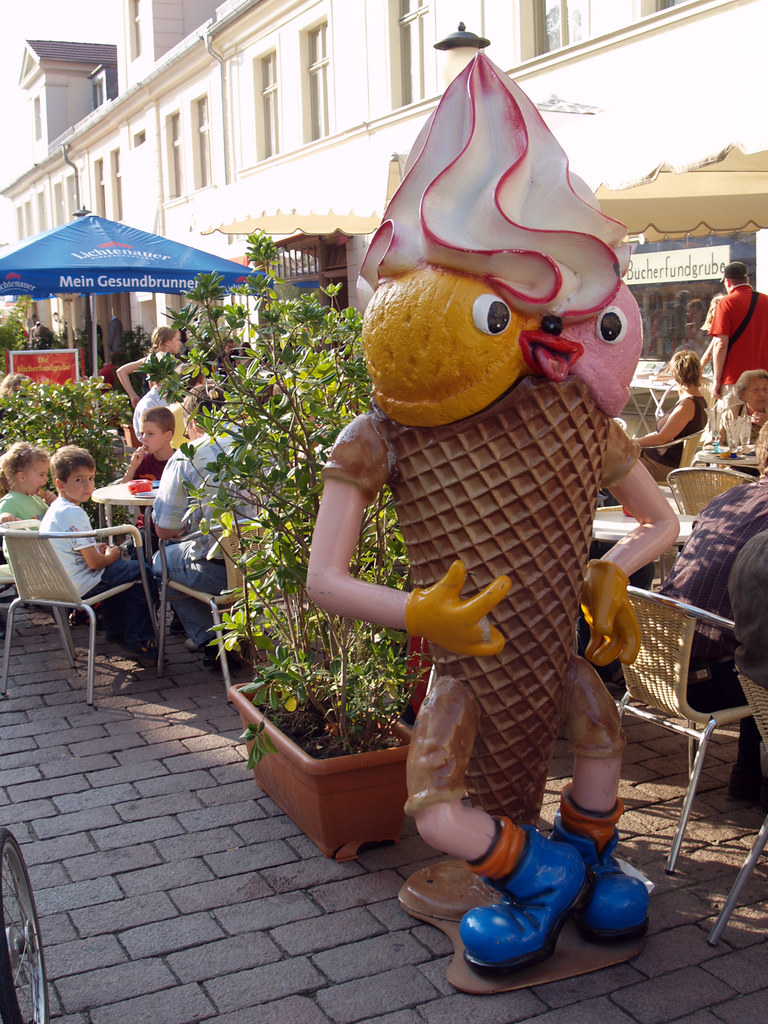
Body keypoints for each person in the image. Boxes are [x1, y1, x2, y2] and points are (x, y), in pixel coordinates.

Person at [659, 422, 768, 808]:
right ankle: (755, 778)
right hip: (711, 680)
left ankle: (748, 774)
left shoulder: (728, 497)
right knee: (759, 649)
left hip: (658, 661)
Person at [151, 384, 248, 668]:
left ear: (193, 423)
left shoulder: (188, 456)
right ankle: (233, 631)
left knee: (161, 560)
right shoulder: (260, 444)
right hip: (265, 569)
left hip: (219, 572)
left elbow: (164, 530)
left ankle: (212, 640)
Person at [41, 445, 157, 667]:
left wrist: (98, 550)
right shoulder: (73, 512)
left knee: (123, 573)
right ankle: (139, 638)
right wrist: (112, 553)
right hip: (82, 584)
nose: (87, 485)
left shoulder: (56, 509)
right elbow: (95, 563)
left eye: (91, 478)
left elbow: (79, 551)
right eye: (79, 480)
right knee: (142, 572)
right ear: (60, 484)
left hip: (63, 583)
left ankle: (118, 630)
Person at [635, 349, 708, 482]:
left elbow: (662, 439)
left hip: (660, 466)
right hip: (658, 460)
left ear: (675, 377)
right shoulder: (697, 400)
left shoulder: (687, 405)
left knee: (610, 465)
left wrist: (630, 442)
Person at [709, 261, 768, 400]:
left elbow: (720, 344)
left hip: (734, 378)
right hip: (763, 379)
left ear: (727, 282)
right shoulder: (766, 301)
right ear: (747, 279)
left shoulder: (726, 303)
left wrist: (717, 380)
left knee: (731, 414)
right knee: (761, 414)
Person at [116, 326, 183, 436]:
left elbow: (121, 371)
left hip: (151, 404)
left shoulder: (149, 359)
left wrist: (133, 396)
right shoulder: (166, 360)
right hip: (160, 405)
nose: (180, 344)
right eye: (177, 340)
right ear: (167, 342)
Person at [0, 442, 54, 525]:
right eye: (41, 474)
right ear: (22, 476)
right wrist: (4, 517)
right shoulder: (10, 501)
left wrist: (54, 504)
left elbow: (52, 520)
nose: (46, 479)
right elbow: (2, 517)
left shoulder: (36, 499)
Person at [120, 405, 176, 484]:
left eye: (150, 434)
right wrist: (133, 467)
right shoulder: (142, 462)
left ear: (168, 436)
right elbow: (123, 488)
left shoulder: (180, 461)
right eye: (142, 433)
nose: (144, 438)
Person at [719, 367, 768, 446]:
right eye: (756, 389)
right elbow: (711, 445)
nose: (762, 394)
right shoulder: (730, 413)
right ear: (743, 394)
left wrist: (767, 424)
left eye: (765, 389)